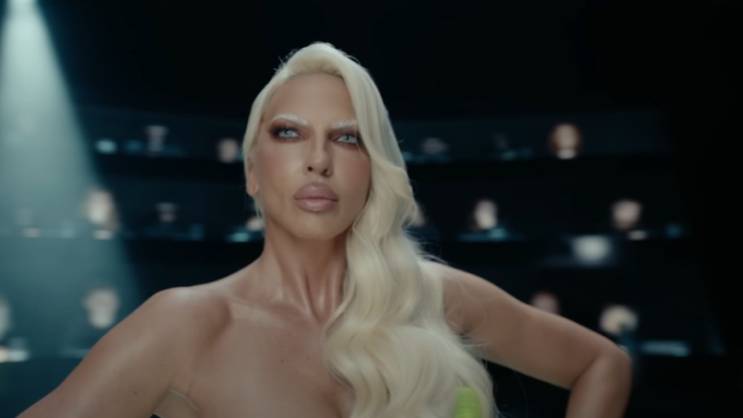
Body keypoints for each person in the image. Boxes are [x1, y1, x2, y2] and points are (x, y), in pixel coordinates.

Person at [18, 42, 632, 418]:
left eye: (347, 138)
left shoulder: (436, 298)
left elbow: (602, 364)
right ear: (252, 170)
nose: (318, 160)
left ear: (373, 170)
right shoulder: (186, 325)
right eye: (289, 133)